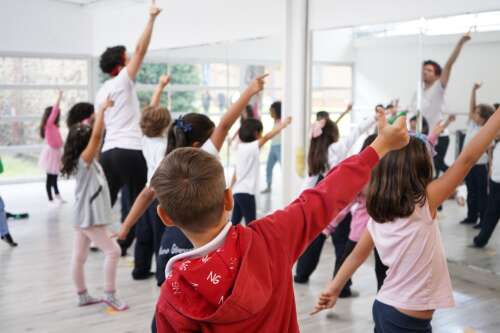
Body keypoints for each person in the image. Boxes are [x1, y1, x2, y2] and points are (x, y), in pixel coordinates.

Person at [151, 111, 409, 332]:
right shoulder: (271, 237)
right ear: (228, 198)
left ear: (166, 217)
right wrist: (380, 146)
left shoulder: (173, 295)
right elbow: (326, 194)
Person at [312, 108, 500, 332]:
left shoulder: (379, 214)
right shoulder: (423, 203)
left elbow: (355, 257)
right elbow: (467, 159)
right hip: (404, 318)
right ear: (416, 169)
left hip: (388, 307)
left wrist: (334, 288)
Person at [96, 0, 162, 256]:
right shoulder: (123, 80)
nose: (132, 58)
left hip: (108, 152)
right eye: (127, 56)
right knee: (142, 202)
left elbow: (100, 125)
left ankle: (100, 240)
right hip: (130, 151)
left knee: (108, 201)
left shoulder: (102, 91)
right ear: (121, 63)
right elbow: (141, 49)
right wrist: (152, 19)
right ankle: (126, 244)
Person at [294, 105, 376, 290]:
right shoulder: (336, 148)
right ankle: (343, 286)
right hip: (337, 200)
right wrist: (374, 117)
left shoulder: (314, 149)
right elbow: (356, 131)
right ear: (333, 134)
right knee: (342, 243)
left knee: (314, 240)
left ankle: (301, 274)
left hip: (316, 198)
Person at [61, 97, 128, 311]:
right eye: (92, 142)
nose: (97, 144)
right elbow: (97, 135)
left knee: (79, 257)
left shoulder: (88, 162)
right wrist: (101, 110)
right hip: (87, 218)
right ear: (86, 145)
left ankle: (82, 296)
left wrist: (103, 117)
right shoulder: (84, 162)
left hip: (84, 217)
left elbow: (98, 134)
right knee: (114, 251)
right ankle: (110, 295)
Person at [322, 134, 388, 291]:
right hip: (367, 229)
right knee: (374, 266)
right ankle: (340, 288)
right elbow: (346, 203)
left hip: (368, 229)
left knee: (354, 260)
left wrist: (330, 226)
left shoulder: (370, 175)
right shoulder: (381, 176)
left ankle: (339, 288)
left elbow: (345, 204)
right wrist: (330, 226)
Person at [411, 32, 471, 178]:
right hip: (422, 138)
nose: (425, 72)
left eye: (429, 70)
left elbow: (449, 66)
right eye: (424, 69)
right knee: (422, 174)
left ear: (437, 75)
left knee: (432, 174)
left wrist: (460, 43)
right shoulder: (418, 92)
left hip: (438, 138)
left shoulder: (438, 87)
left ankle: (455, 184)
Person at [131, 75, 172, 279]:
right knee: (160, 236)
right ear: (165, 125)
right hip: (159, 196)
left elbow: (150, 113)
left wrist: (160, 87)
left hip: (147, 193)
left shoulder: (145, 139)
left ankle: (140, 270)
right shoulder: (165, 144)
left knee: (143, 235)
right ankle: (161, 276)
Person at [232, 116, 292, 224]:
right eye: (260, 132)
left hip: (237, 192)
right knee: (252, 223)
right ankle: (250, 241)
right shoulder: (251, 147)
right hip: (246, 193)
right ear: (256, 133)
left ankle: (228, 240)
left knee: (234, 222)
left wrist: (230, 188)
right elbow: (267, 137)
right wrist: (283, 125)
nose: (261, 135)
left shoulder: (240, 148)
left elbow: (235, 173)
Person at [460, 83, 495, 228]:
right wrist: (473, 91)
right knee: (471, 191)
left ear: (482, 117)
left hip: (481, 166)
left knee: (482, 194)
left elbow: (490, 150)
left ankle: (482, 219)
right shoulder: (472, 124)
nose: (473, 113)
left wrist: (491, 166)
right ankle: (471, 216)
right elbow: (472, 107)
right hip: (469, 166)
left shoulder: (487, 130)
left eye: (477, 112)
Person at [474, 118, 500, 247]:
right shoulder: (496, 145)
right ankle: (481, 239)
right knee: (491, 212)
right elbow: (493, 162)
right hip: (495, 181)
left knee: (492, 212)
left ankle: (482, 238)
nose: (494, 132)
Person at [39, 91, 65, 204]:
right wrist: (59, 97)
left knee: (54, 176)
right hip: (51, 153)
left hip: (56, 152)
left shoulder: (54, 126)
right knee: (50, 177)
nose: (56, 116)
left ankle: (57, 195)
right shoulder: (48, 125)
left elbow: (59, 140)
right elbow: (55, 111)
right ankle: (51, 198)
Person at [262, 101, 283, 193]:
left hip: (279, 147)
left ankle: (289, 185)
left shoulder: (282, 121)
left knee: (284, 167)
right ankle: (268, 186)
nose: (270, 112)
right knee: (268, 167)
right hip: (273, 147)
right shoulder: (275, 121)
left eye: (272, 111)